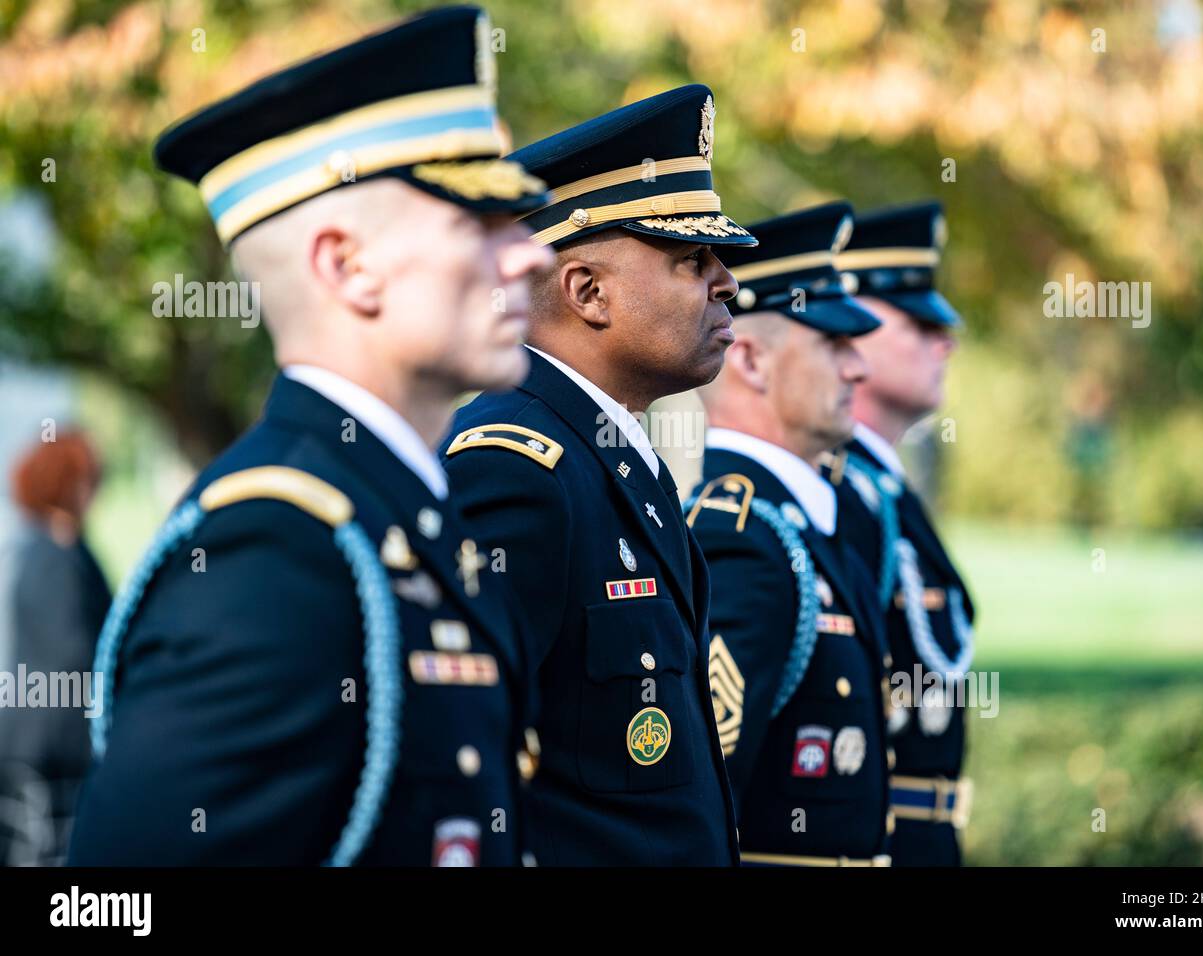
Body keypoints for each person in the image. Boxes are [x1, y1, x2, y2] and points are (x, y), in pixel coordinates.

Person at [68, 6, 554, 866]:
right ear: (345, 267)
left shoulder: (402, 516)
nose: (531, 256)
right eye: (478, 222)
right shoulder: (279, 550)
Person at [440, 85, 755, 865]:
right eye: (693, 260)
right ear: (587, 292)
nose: (729, 284)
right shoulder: (514, 469)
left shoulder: (610, 459)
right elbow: (460, 773)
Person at [687, 202, 894, 866]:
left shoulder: (804, 525)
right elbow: (709, 796)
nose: (856, 370)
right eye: (832, 344)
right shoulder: (744, 535)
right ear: (750, 362)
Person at [828, 199, 975, 866]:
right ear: (851, 326)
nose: (945, 340)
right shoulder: (838, 494)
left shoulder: (881, 490)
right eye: (918, 323)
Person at [0, 430, 111, 865]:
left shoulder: (46, 551)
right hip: (52, 745)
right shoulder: (54, 559)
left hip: (39, 736)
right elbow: (75, 652)